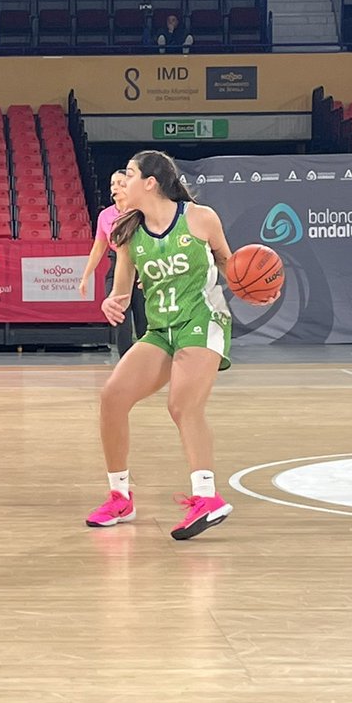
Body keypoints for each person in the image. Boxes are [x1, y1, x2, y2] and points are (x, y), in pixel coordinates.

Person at [86, 149, 248, 540]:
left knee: (182, 405)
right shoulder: (126, 232)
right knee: (112, 398)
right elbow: (123, 290)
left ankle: (207, 496)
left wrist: (254, 283)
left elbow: (230, 265)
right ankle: (120, 496)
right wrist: (113, 301)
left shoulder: (200, 218)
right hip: (161, 330)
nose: (122, 180)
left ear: (151, 183)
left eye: (129, 173)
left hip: (202, 320)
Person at [78, 169, 146, 358]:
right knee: (119, 318)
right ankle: (126, 362)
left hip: (142, 265)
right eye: (112, 183)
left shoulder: (142, 212)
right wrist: (85, 276)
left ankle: (149, 361)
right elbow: (98, 248)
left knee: (144, 320)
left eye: (121, 183)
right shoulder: (105, 215)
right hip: (116, 266)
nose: (115, 187)